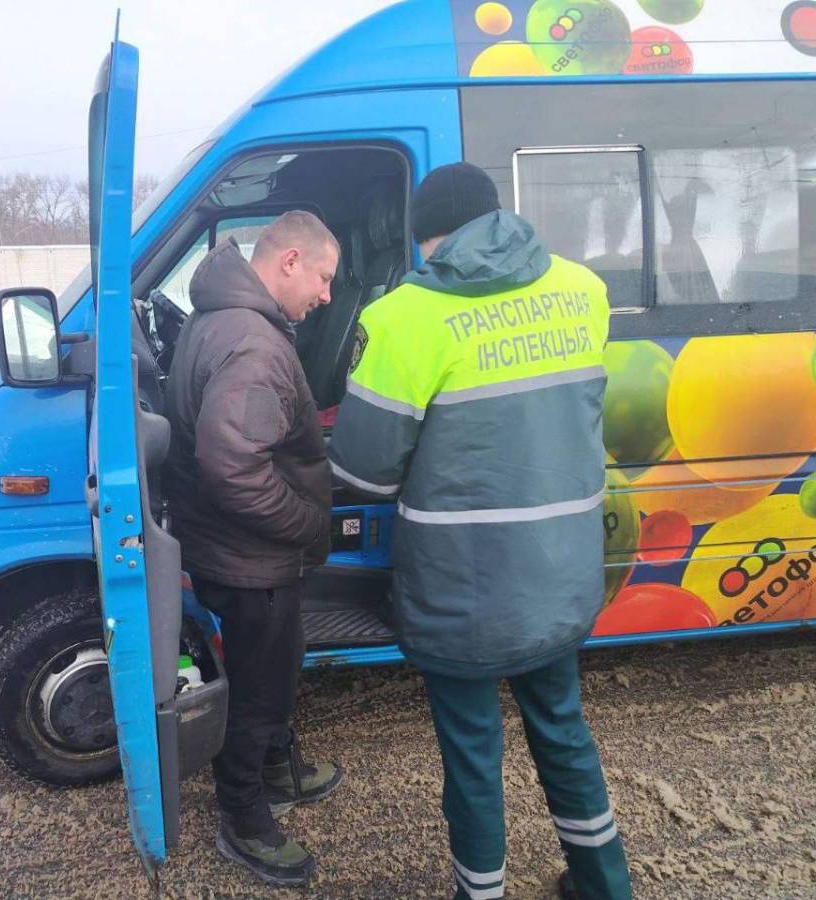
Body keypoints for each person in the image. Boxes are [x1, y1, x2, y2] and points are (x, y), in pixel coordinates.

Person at [328, 163, 632, 900]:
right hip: (559, 574)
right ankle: (604, 884)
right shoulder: (582, 291)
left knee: (472, 755)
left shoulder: (405, 317)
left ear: (425, 236)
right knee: (562, 730)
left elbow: (366, 475)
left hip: (462, 586)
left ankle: (482, 893)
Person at [164, 210, 345, 887]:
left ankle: (273, 765)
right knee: (260, 689)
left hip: (233, 546)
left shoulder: (227, 317)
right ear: (289, 262)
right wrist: (305, 523)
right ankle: (244, 819)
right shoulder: (254, 344)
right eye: (324, 278)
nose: (326, 296)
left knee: (277, 663)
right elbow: (235, 465)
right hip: (253, 555)